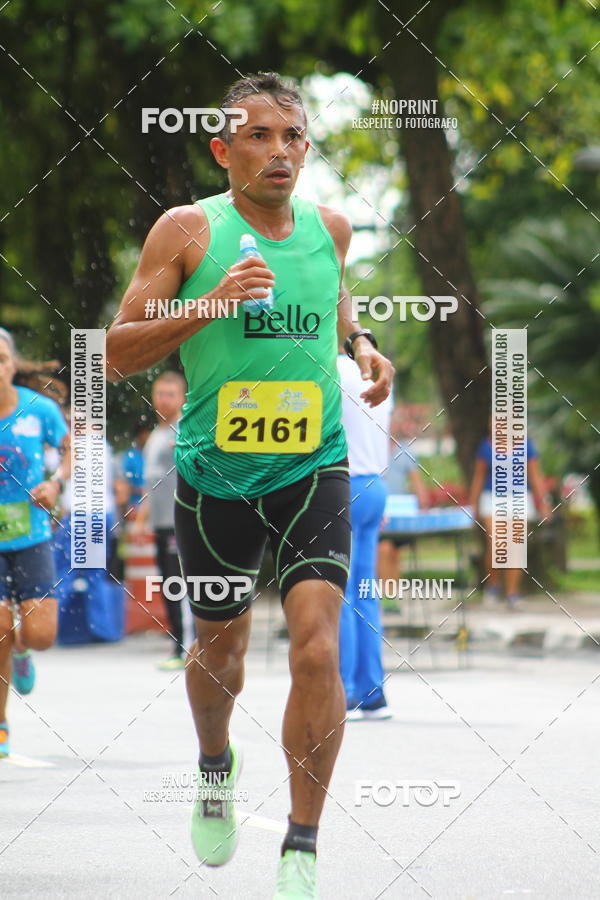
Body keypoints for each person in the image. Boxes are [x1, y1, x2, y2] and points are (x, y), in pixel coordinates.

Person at [106, 71, 393, 898]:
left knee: (317, 646)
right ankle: (214, 764)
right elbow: (114, 352)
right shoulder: (188, 230)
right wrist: (215, 303)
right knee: (221, 651)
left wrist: (362, 345)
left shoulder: (331, 228)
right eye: (258, 136)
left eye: (292, 136)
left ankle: (302, 842)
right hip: (213, 477)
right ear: (221, 149)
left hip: (313, 466)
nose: (279, 151)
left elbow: (334, 297)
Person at [0, 328, 69, 758]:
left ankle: (23, 650)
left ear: (13, 364)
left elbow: (72, 448)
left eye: (1, 358)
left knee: (41, 635)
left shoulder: (39, 409)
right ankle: (1, 723)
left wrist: (56, 482)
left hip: (32, 536)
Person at [336, 350, 393, 721]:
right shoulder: (379, 371)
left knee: (337, 593)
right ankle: (373, 693)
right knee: (365, 592)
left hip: (344, 484)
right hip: (374, 485)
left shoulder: (329, 369)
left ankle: (344, 692)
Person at [469, 417, 552, 609]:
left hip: (519, 498)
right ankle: (493, 586)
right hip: (492, 498)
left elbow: (535, 476)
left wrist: (544, 503)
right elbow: (478, 477)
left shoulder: (526, 446)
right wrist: (472, 506)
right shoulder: (486, 447)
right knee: (497, 542)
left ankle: (512, 594)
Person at [134, 372, 187, 669]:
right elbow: (150, 483)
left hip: (182, 523)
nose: (164, 400)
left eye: (170, 395)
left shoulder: (186, 430)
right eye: (160, 394)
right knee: (169, 583)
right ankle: (178, 645)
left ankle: (187, 647)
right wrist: (142, 519)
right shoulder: (155, 435)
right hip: (161, 523)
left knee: (183, 585)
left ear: (182, 398)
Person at [377, 431, 428, 591]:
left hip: (399, 514)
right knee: (384, 548)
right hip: (379, 513)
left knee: (394, 553)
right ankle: (385, 594)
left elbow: (416, 481)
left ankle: (391, 594)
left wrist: (422, 504)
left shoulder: (405, 451)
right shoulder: (374, 449)